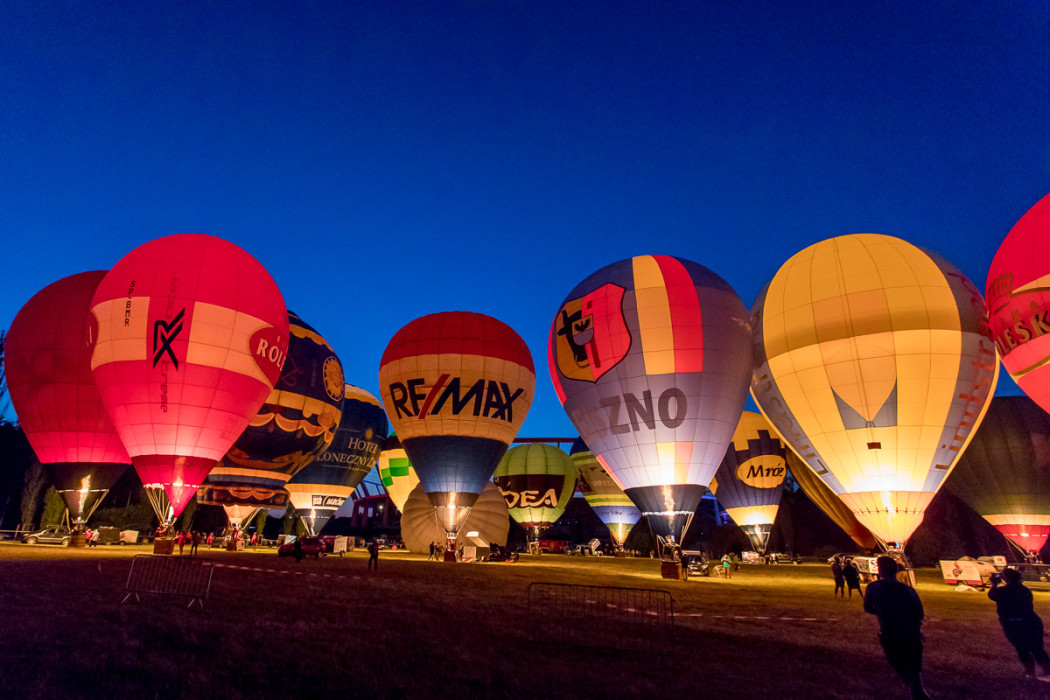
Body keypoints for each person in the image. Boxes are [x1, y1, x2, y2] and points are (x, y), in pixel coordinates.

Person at [863, 555, 930, 700]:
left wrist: (884, 612)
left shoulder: (874, 587)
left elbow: (867, 607)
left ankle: (919, 694)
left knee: (898, 663)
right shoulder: (909, 590)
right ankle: (919, 694)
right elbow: (920, 612)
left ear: (881, 570)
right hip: (912, 634)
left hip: (891, 633)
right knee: (913, 668)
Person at [988, 567, 1050, 680]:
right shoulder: (1025, 590)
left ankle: (1030, 672)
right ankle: (1047, 672)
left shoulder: (1003, 591)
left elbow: (992, 595)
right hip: (1031, 622)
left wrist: (994, 584)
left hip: (1014, 625)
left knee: (1022, 649)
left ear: (1006, 579)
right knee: (1037, 649)